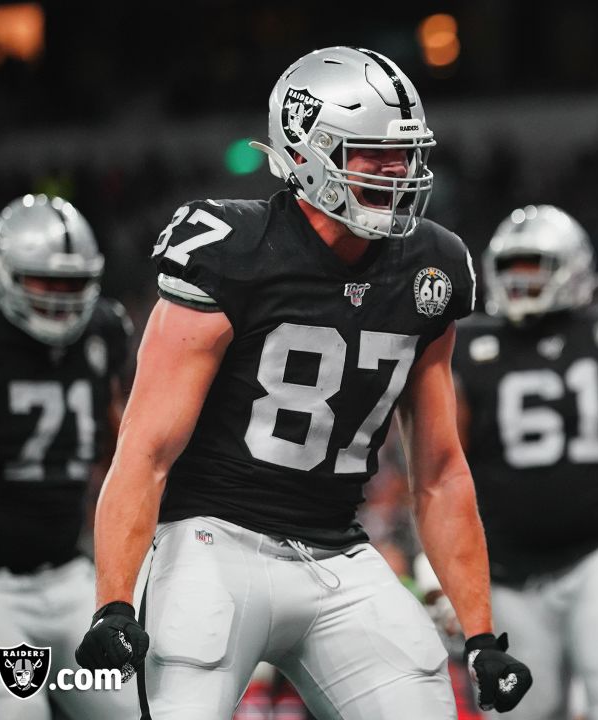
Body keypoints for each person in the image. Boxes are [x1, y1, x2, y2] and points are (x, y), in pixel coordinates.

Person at [72, 46, 530, 719]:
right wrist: (114, 599)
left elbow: (437, 468)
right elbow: (145, 449)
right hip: (214, 543)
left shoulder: (432, 266)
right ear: (307, 149)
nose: (395, 170)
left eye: (404, 153)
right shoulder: (232, 247)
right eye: (371, 152)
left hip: (339, 551)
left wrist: (480, 633)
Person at [451, 205, 598, 719]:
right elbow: (442, 465)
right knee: (517, 711)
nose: (521, 279)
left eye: (534, 263)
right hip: (504, 566)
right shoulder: (470, 345)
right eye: (512, 266)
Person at [0, 194, 139, 719]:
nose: (62, 298)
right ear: (2, 274)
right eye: (46, 281)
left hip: (67, 577)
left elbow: (119, 443)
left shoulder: (104, 331)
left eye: (74, 283)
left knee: (132, 711)